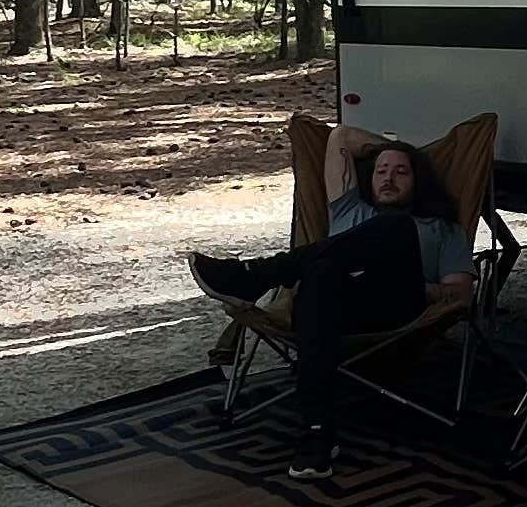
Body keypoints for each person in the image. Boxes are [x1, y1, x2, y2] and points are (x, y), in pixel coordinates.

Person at [190, 134, 473, 477]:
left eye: (401, 172)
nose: (389, 178)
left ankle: (256, 276)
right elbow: (341, 136)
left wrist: (403, 281)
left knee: (394, 226)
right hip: (332, 308)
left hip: (394, 307)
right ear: (369, 177)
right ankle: (316, 433)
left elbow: (459, 295)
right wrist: (389, 145)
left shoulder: (442, 228)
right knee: (322, 271)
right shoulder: (350, 208)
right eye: (381, 170)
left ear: (418, 182)